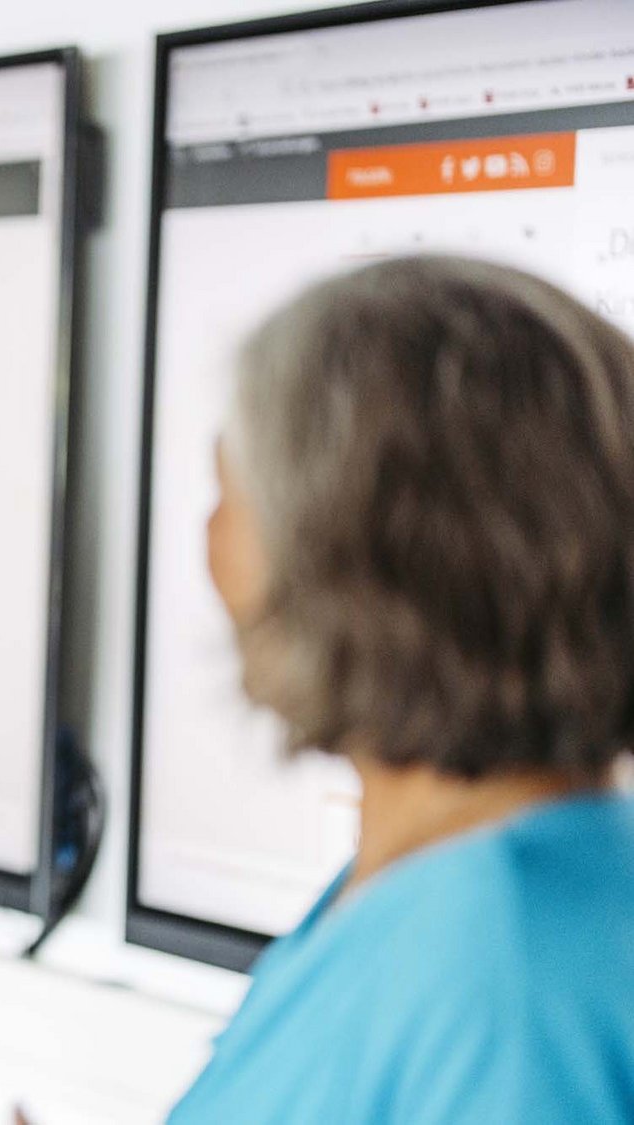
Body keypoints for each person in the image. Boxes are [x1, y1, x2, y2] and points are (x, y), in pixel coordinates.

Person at [173, 255, 634, 1123]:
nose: (205, 544)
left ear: (358, 567)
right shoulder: (442, 877)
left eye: (230, 496)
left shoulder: (501, 982)